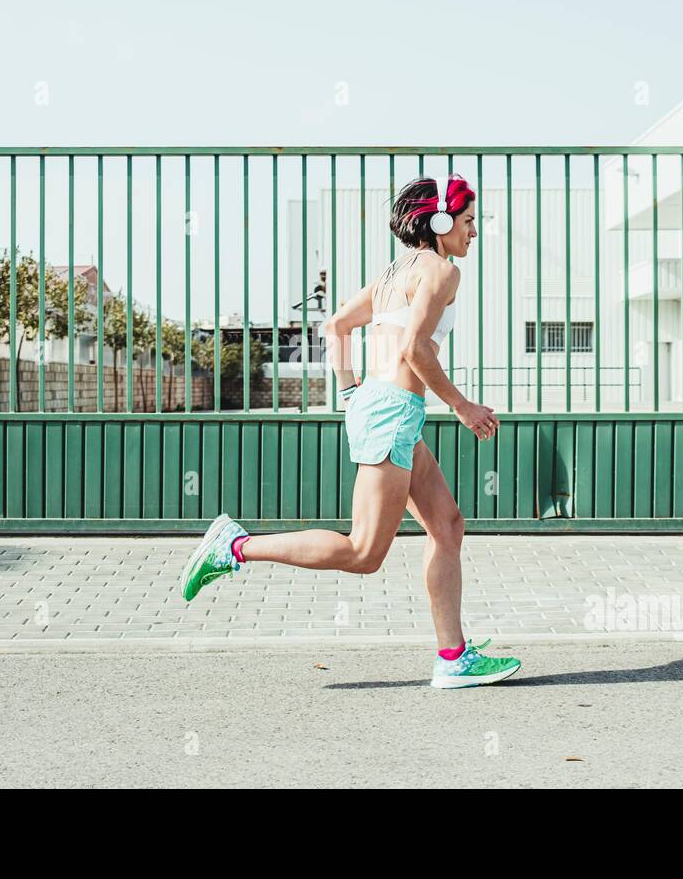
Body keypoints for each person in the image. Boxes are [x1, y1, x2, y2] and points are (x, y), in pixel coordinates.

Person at [181, 174, 519, 689]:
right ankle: (234, 547)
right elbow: (415, 349)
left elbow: (336, 325)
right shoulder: (441, 272)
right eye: (469, 221)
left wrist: (348, 392)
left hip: (382, 408)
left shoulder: (393, 273)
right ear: (443, 222)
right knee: (363, 552)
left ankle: (454, 657)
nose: (475, 231)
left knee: (447, 525)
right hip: (392, 413)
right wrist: (463, 406)